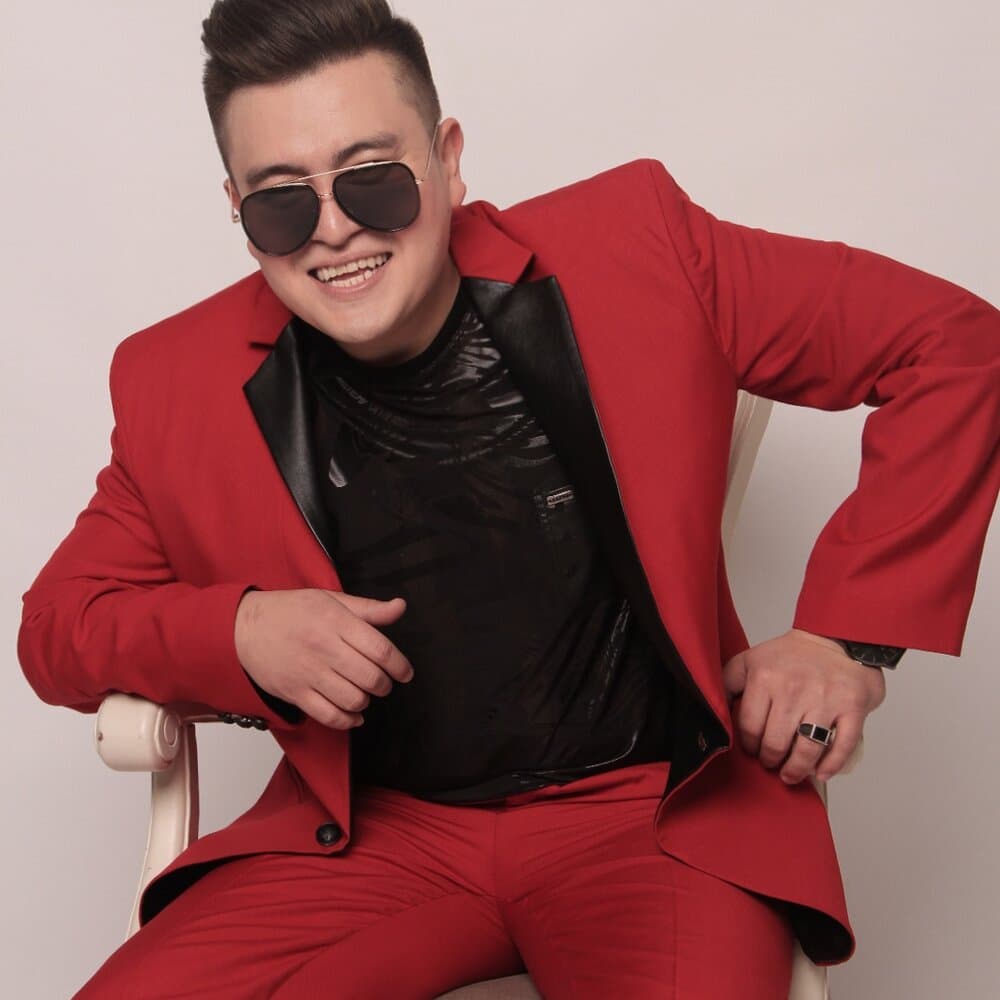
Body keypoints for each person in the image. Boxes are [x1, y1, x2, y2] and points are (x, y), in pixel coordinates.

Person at [17, 1, 999, 997]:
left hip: (651, 817)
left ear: (447, 162)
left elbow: (952, 346)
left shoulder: (636, 249)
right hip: (376, 841)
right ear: (236, 211)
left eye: (373, 177)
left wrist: (847, 640)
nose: (336, 229)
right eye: (282, 202)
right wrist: (241, 633)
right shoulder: (177, 380)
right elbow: (59, 626)